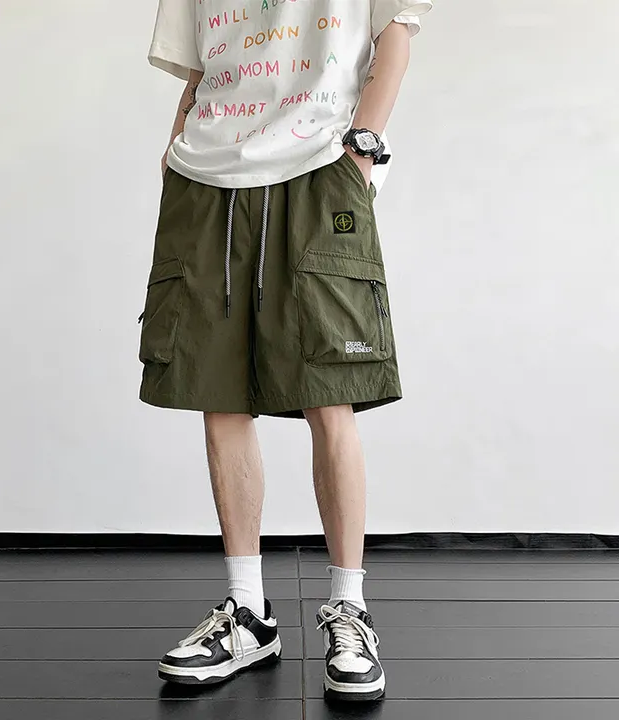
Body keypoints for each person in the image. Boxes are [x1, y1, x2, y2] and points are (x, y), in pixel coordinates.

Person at [139, 0, 433, 703]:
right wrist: (176, 149)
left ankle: (350, 608)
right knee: (217, 392)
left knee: (329, 391)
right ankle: (247, 613)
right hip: (206, 175)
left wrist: (363, 148)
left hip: (319, 162)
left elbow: (396, 31)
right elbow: (200, 68)